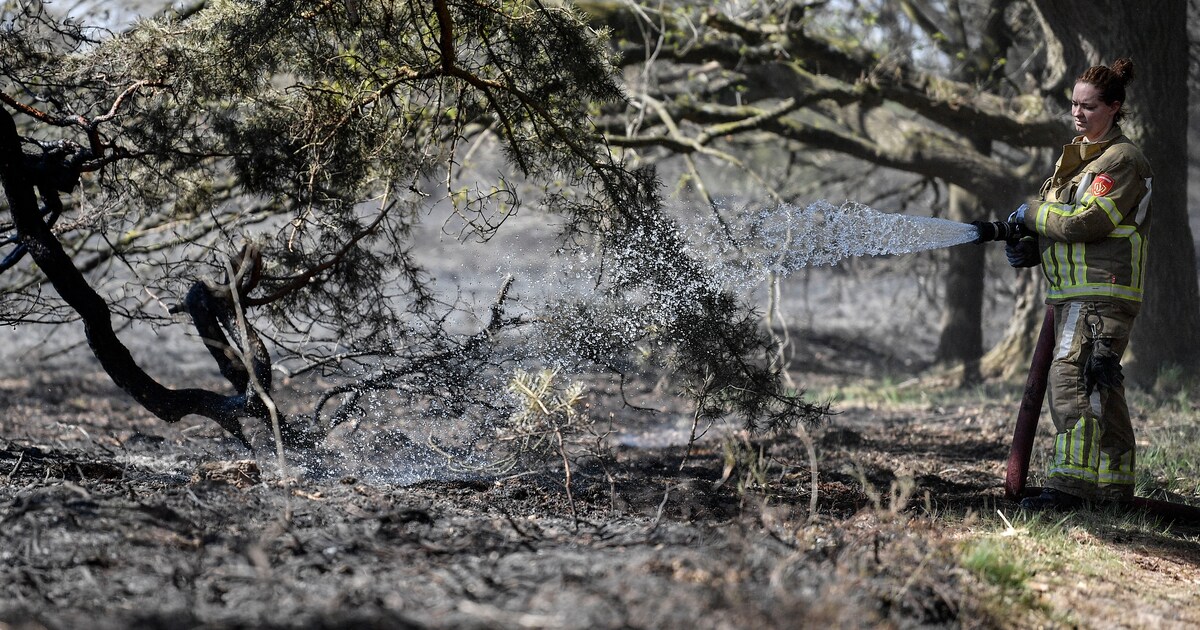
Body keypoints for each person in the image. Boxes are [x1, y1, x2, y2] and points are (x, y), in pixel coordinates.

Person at [1005, 58, 1153, 510]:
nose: (1077, 113)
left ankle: (1068, 489)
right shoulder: (1074, 160)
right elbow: (1062, 226)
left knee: (1070, 379)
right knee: (1100, 388)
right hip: (1075, 292)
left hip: (1101, 293)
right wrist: (1032, 246)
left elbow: (1085, 223)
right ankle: (1112, 491)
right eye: (1073, 104)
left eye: (1088, 106)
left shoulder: (1123, 161)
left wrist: (1030, 214)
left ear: (1114, 107)